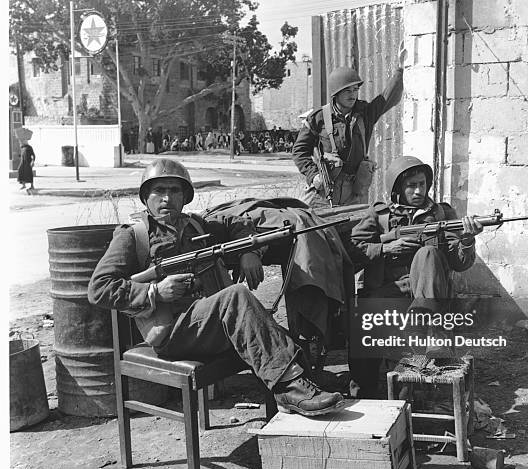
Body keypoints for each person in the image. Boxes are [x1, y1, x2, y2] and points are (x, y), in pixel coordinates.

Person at [87, 158, 343, 417]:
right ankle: (291, 389)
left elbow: (238, 223)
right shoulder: (133, 235)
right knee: (237, 297)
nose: (167, 198)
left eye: (174, 191)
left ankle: (302, 380)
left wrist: (248, 251)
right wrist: (154, 291)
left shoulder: (196, 225)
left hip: (209, 323)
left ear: (185, 196)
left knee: (262, 320)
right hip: (174, 332)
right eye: (159, 191)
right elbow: (99, 287)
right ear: (146, 197)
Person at [347, 156, 484, 397]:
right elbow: (353, 248)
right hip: (390, 290)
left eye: (422, 184)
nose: (419, 190)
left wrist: (467, 238)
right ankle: (365, 395)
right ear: (398, 188)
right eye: (411, 185)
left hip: (431, 291)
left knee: (428, 253)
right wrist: (385, 248)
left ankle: (423, 327)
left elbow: (460, 263)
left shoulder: (441, 213)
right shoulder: (379, 215)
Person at [292, 45, 407, 207]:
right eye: (347, 91)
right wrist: (313, 175)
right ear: (336, 93)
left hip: (355, 191)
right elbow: (299, 151)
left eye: (355, 90)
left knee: (357, 229)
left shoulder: (364, 113)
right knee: (311, 225)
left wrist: (400, 71)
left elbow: (386, 99)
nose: (353, 94)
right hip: (325, 190)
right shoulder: (318, 118)